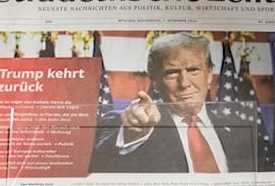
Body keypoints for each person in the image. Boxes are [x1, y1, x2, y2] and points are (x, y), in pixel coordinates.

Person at [90, 33, 257, 173]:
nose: (184, 83)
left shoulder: (240, 131)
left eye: (193, 70)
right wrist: (133, 135)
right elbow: (99, 164)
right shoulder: (131, 125)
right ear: (155, 82)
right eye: (171, 73)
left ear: (209, 76)